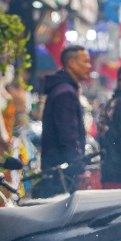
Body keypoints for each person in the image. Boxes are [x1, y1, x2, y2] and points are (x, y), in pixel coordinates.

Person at [38, 45, 91, 197]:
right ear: (72, 63)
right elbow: (68, 135)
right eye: (85, 61)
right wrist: (78, 167)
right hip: (61, 173)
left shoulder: (64, 89)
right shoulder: (65, 93)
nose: (89, 66)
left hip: (58, 169)